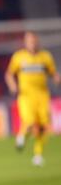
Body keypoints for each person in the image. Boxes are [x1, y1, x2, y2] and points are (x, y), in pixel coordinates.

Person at [5, 31, 60, 166]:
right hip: (26, 96)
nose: (32, 43)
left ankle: (38, 155)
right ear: (25, 42)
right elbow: (9, 74)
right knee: (29, 122)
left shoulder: (45, 56)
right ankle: (21, 136)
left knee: (42, 127)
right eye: (29, 41)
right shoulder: (19, 57)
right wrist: (13, 86)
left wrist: (57, 79)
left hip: (42, 95)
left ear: (37, 41)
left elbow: (53, 73)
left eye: (34, 41)